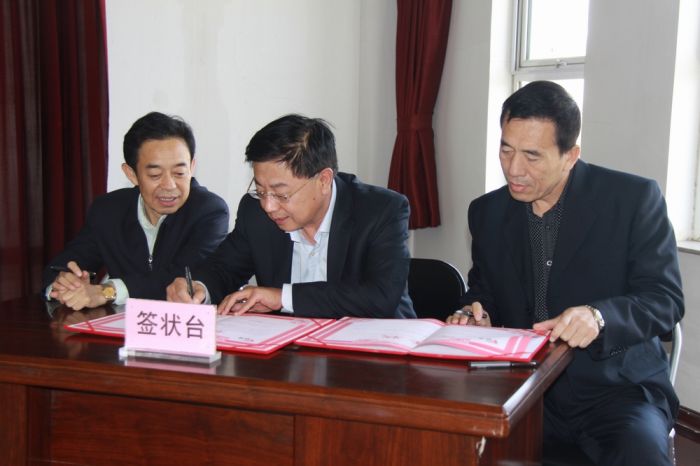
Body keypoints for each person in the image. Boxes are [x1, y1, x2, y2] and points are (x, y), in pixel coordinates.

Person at [447, 81, 683, 466]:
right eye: (506, 150)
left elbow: (664, 300)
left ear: (570, 155)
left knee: (640, 454)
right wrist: (476, 312)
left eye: (532, 156)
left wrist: (599, 317)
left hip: (616, 391)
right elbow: (485, 289)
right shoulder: (487, 212)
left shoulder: (631, 200)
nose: (514, 169)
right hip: (525, 390)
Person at [167, 114, 415, 319]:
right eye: (260, 191)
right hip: (291, 354)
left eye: (281, 194)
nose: (268, 206)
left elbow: (380, 297)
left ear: (323, 180)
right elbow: (223, 268)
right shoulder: (255, 213)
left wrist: (282, 297)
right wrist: (199, 287)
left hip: (375, 351)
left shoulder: (381, 210)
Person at [43, 112, 229, 310]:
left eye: (179, 173)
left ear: (192, 167)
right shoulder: (108, 211)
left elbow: (178, 280)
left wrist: (107, 291)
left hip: (182, 326)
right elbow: (62, 266)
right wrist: (65, 284)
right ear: (131, 174)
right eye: (155, 175)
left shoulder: (208, 212)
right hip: (122, 325)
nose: (169, 185)